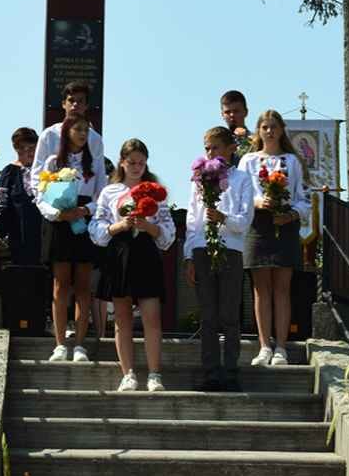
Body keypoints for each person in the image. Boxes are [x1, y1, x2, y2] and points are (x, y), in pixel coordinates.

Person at [90, 139, 175, 392]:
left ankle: (154, 374)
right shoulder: (110, 191)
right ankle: (127, 373)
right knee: (122, 317)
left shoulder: (156, 191)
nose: (137, 167)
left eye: (141, 162)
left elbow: (168, 232)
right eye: (132, 162)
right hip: (120, 253)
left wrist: (149, 227)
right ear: (122, 162)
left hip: (146, 253)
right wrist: (119, 226)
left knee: (151, 315)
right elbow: (97, 227)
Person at [185, 126, 254, 392]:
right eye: (207, 148)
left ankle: (231, 370)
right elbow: (193, 219)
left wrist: (224, 218)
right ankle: (211, 371)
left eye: (215, 147)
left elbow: (245, 219)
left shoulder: (241, 179)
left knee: (229, 314)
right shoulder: (198, 179)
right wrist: (189, 255)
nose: (210, 152)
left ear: (231, 149)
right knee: (209, 314)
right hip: (203, 249)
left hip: (231, 249)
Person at [237, 109, 309, 366]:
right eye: (265, 127)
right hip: (258, 225)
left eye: (274, 127)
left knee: (282, 289)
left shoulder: (292, 161)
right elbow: (241, 195)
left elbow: (304, 198)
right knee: (261, 289)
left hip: (285, 225)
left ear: (281, 130)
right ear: (258, 130)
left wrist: (290, 214)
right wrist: (258, 201)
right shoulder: (248, 160)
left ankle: (281, 347)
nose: (269, 131)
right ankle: (264, 345)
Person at [39, 115, 104, 362]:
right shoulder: (53, 161)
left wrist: (86, 211)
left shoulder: (94, 162)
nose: (82, 134)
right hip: (60, 221)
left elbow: (102, 193)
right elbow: (42, 195)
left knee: (83, 286)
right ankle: (60, 344)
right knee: (61, 284)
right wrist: (59, 213)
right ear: (66, 132)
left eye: (86, 130)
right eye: (78, 129)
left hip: (84, 219)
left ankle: (79, 344)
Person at [32, 81, 105, 183]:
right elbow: (37, 173)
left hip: (85, 197)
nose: (75, 105)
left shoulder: (95, 139)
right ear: (63, 104)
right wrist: (41, 197)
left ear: (86, 106)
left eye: (80, 101)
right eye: (71, 100)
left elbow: (100, 176)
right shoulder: (49, 135)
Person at [0, 127, 43, 265]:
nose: (27, 152)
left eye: (32, 147)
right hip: (18, 231)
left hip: (43, 230)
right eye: (22, 147)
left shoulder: (45, 170)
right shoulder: (9, 172)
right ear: (16, 149)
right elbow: (1, 205)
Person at [220, 90, 253, 162]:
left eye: (236, 111)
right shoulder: (217, 144)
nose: (232, 115)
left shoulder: (256, 141)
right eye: (227, 112)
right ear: (222, 114)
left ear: (246, 112)